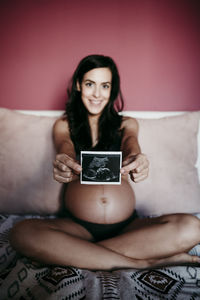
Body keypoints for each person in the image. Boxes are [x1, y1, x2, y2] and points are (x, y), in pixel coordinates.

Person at [10, 54, 200, 271]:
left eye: (105, 86)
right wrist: (64, 161)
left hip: (128, 228)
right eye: (90, 84)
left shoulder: (126, 124)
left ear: (112, 90)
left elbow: (131, 145)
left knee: (192, 227)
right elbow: (66, 149)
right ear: (79, 85)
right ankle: (144, 262)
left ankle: (74, 253)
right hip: (77, 227)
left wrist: (136, 158)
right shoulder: (63, 125)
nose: (97, 94)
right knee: (21, 233)